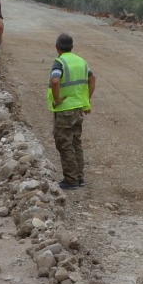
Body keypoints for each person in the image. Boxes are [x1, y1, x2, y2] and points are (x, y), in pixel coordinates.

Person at [48, 32, 95, 190]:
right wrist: (87, 100)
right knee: (76, 142)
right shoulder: (81, 61)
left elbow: (55, 80)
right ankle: (80, 177)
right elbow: (92, 78)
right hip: (78, 109)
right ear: (72, 47)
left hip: (64, 110)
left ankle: (71, 179)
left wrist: (56, 100)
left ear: (57, 48)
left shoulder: (59, 63)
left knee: (64, 143)